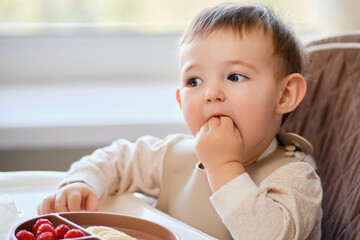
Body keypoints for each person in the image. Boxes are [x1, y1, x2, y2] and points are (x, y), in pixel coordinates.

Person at [38, 3, 322, 240]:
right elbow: (118, 159)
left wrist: (223, 167)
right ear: (179, 99)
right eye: (194, 81)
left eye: (235, 76)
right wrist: (81, 183)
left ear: (284, 94)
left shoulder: (295, 178)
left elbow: (270, 234)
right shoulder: (174, 156)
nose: (211, 94)